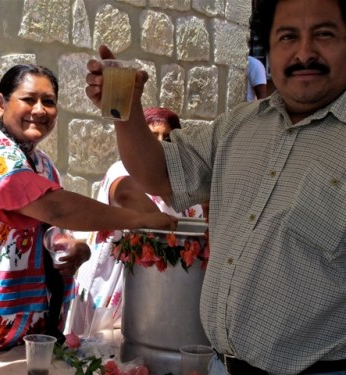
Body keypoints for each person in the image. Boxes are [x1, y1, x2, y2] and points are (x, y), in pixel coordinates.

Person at [85, 0, 346, 374]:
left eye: (324, 34)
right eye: (288, 36)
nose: (304, 52)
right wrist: (125, 108)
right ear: (269, 51)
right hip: (222, 365)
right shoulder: (237, 126)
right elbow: (158, 174)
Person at [0, 64, 177, 371]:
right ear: (0, 103)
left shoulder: (42, 164)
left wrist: (74, 247)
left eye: (48, 101)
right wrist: (139, 219)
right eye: (29, 99)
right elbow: (53, 207)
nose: (40, 110)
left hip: (21, 328)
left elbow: (46, 230)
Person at [68, 107, 205, 337]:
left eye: (168, 138)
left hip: (162, 295)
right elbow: (127, 195)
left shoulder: (185, 189)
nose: (161, 144)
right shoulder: (122, 169)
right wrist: (174, 237)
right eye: (152, 136)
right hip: (114, 289)